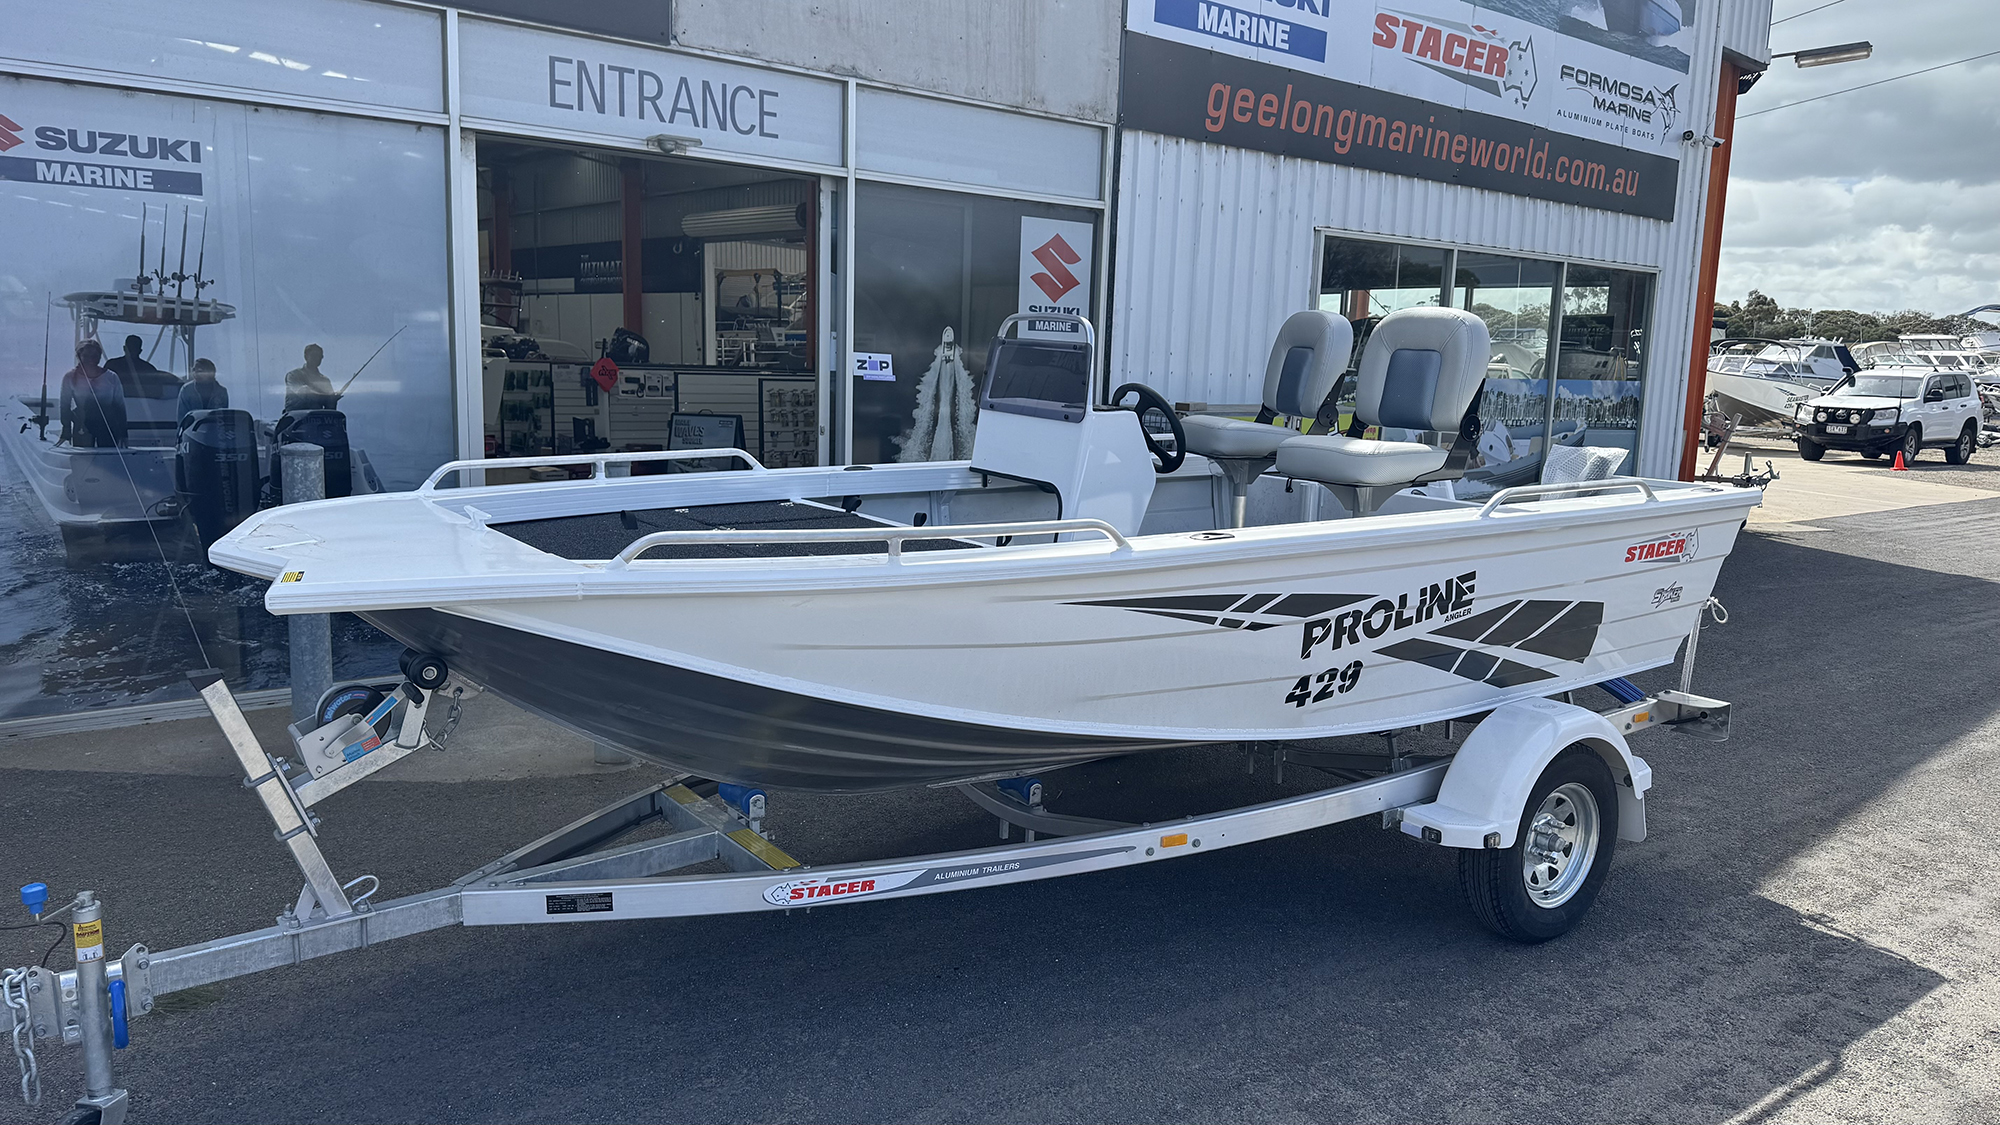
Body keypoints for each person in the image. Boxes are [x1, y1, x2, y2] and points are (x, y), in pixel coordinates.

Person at [59, 339, 127, 448]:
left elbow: (120, 406)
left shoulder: (112, 377)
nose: (91, 359)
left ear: (100, 356)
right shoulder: (69, 377)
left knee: (108, 458)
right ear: (79, 356)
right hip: (82, 427)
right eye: (86, 356)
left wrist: (123, 433)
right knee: (82, 458)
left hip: (108, 427)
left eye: (95, 356)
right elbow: (64, 405)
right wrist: (66, 428)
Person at [283, 343, 340, 412]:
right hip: (294, 415)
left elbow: (330, 409)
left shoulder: (325, 380)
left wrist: (333, 400)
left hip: (316, 415)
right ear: (306, 356)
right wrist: (326, 396)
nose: (317, 358)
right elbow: (304, 393)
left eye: (319, 356)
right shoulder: (293, 375)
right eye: (314, 355)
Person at [177, 357, 229, 424]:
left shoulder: (222, 392)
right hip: (192, 429)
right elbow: (182, 420)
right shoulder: (186, 390)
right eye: (194, 370)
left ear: (211, 373)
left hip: (214, 429)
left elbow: (223, 419)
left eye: (200, 371)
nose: (195, 373)